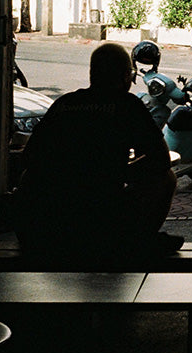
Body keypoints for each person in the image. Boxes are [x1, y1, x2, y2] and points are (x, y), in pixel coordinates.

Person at [12, 42, 183, 262]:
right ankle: (140, 240)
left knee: (29, 176)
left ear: (93, 74)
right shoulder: (127, 105)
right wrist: (120, 170)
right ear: (124, 77)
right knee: (166, 179)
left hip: (50, 218)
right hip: (103, 211)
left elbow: (29, 157)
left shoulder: (65, 104)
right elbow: (160, 160)